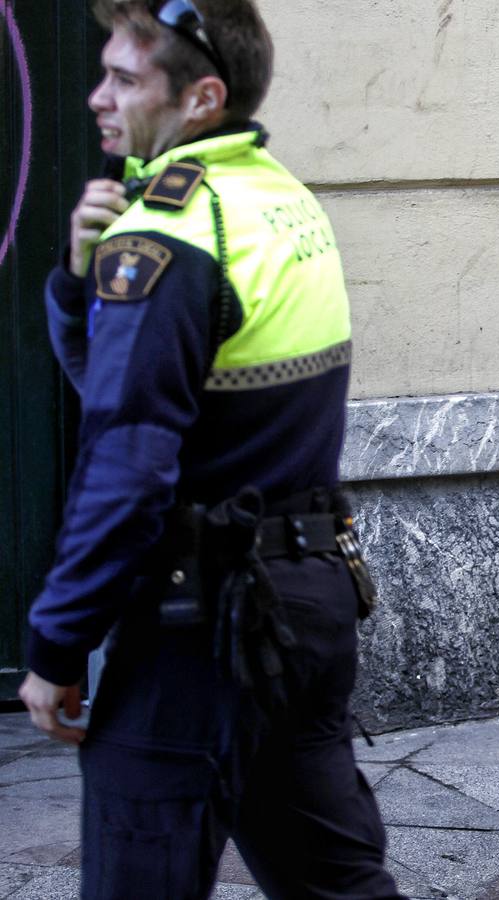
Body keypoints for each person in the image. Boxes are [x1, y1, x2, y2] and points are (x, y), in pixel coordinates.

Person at [18, 2, 402, 897]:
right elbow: (151, 396)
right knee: (336, 883)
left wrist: (56, 643)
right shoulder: (278, 198)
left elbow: (127, 463)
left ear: (201, 98)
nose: (95, 99)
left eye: (122, 79)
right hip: (306, 602)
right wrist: (81, 289)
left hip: (202, 628)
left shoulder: (165, 239)